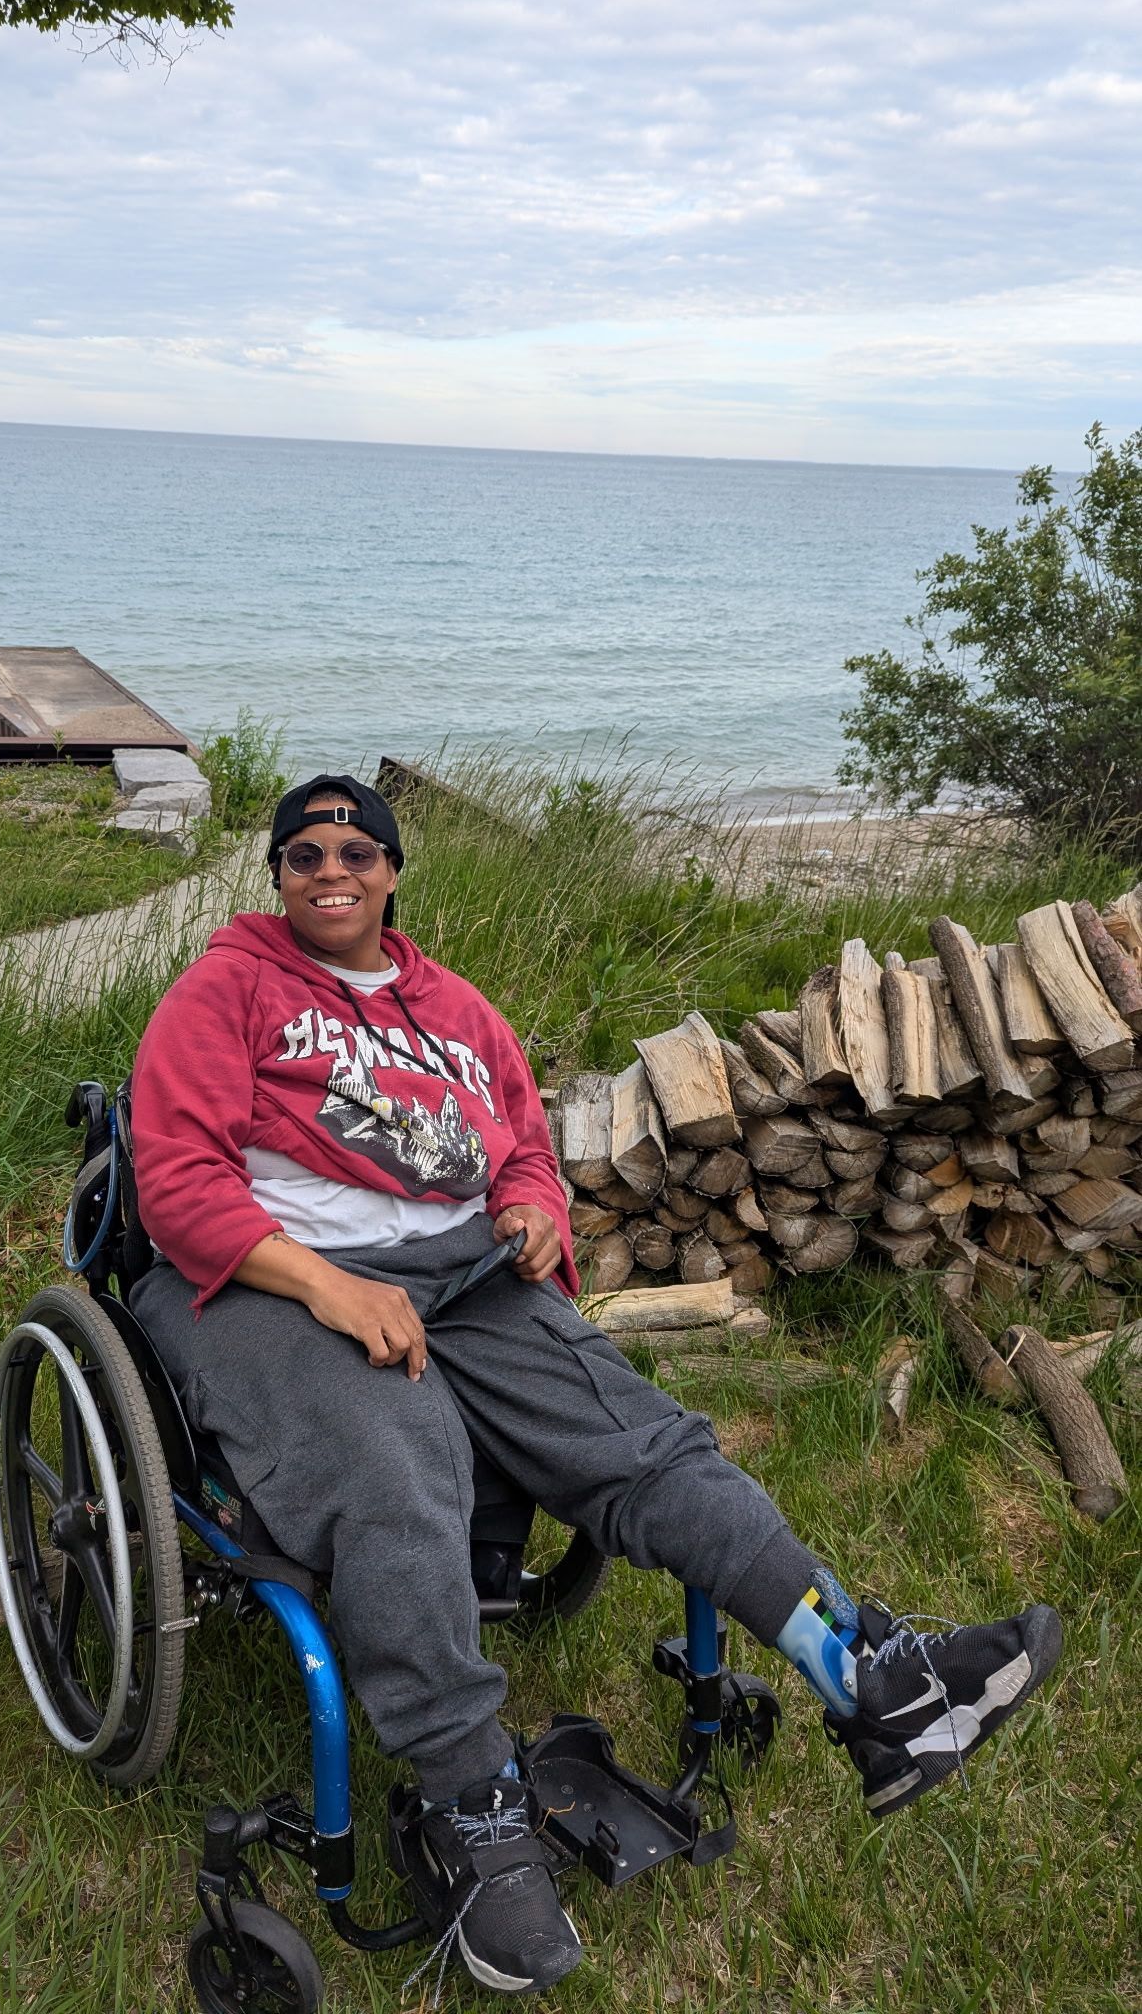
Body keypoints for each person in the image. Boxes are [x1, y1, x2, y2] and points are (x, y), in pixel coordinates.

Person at [129, 773, 1062, 1998]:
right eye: (303, 853)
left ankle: (872, 1677)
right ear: (279, 875)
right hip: (271, 1280)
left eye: (357, 847)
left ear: (394, 868)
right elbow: (179, 1180)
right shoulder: (227, 989)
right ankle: (471, 1805)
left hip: (462, 1274)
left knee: (647, 1440)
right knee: (398, 1465)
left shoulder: (457, 1008)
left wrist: (525, 1200)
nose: (331, 868)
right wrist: (329, 1288)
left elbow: (518, 1136)